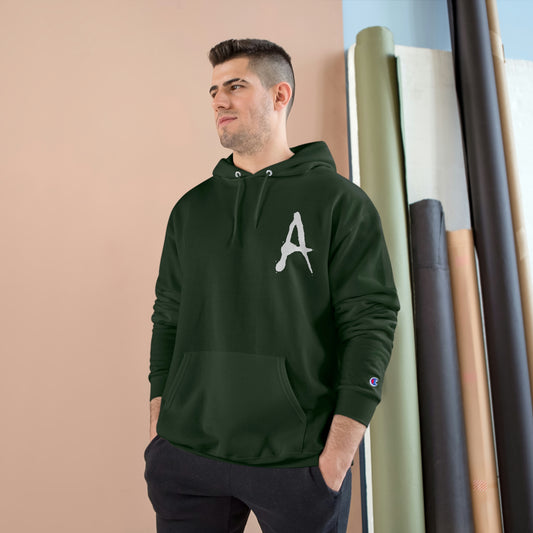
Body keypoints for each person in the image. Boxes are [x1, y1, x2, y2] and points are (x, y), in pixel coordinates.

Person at [143, 38, 399, 533]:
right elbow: (168, 314)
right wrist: (159, 422)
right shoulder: (191, 210)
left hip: (297, 462)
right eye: (213, 90)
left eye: (235, 86)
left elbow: (370, 325)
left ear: (280, 95)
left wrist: (338, 455)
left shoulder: (340, 203)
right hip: (187, 456)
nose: (219, 101)